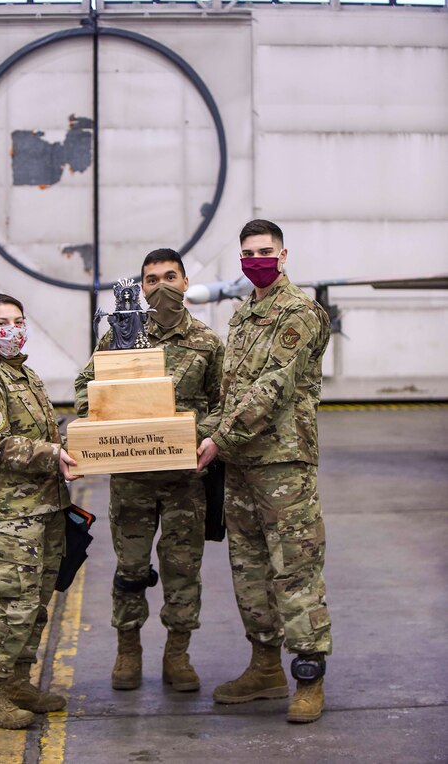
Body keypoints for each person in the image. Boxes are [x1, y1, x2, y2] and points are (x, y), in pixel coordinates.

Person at [197, 220, 332, 724]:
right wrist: (194, 435)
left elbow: (271, 389)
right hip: (241, 468)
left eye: (264, 251)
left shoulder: (300, 313)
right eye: (248, 253)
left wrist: (216, 440)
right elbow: (231, 395)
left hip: (283, 464)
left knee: (294, 569)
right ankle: (264, 667)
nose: (256, 259)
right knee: (249, 571)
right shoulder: (242, 317)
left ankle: (309, 675)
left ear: (283, 254)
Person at [75, 249, 224, 692]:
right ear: (140, 287)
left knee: (183, 570)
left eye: (169, 277)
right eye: (150, 279)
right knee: (130, 569)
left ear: (185, 281)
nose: (160, 286)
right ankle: (128, 650)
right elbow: (86, 386)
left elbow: (222, 403)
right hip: (132, 479)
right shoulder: (120, 334)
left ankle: (177, 654)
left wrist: (204, 437)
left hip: (185, 480)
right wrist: (101, 420)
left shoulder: (206, 342)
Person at [0, 293, 78, 730]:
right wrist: (55, 454)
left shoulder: (25, 376)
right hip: (9, 517)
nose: (13, 329)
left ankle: (18, 683)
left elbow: (43, 434)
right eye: (2, 322)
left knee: (38, 604)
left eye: (19, 320)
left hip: (43, 510)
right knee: (16, 606)